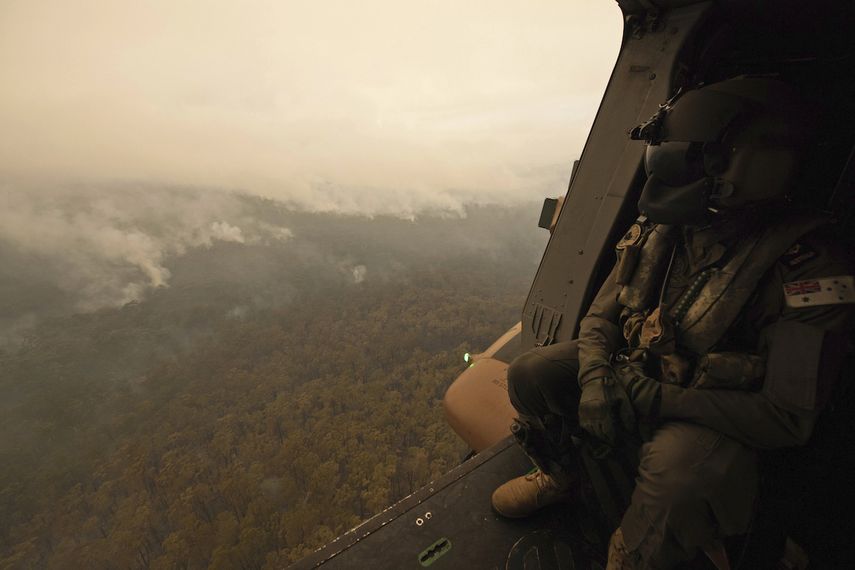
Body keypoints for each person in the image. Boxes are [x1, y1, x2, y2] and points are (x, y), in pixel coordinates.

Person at [490, 77, 855, 569]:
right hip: (640, 376)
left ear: (755, 165)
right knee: (530, 373)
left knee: (678, 475)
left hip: (714, 412)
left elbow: (786, 418)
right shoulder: (667, 227)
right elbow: (601, 316)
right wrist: (595, 376)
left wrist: (658, 399)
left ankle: (635, 551)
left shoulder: (809, 270)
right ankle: (561, 474)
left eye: (694, 156)